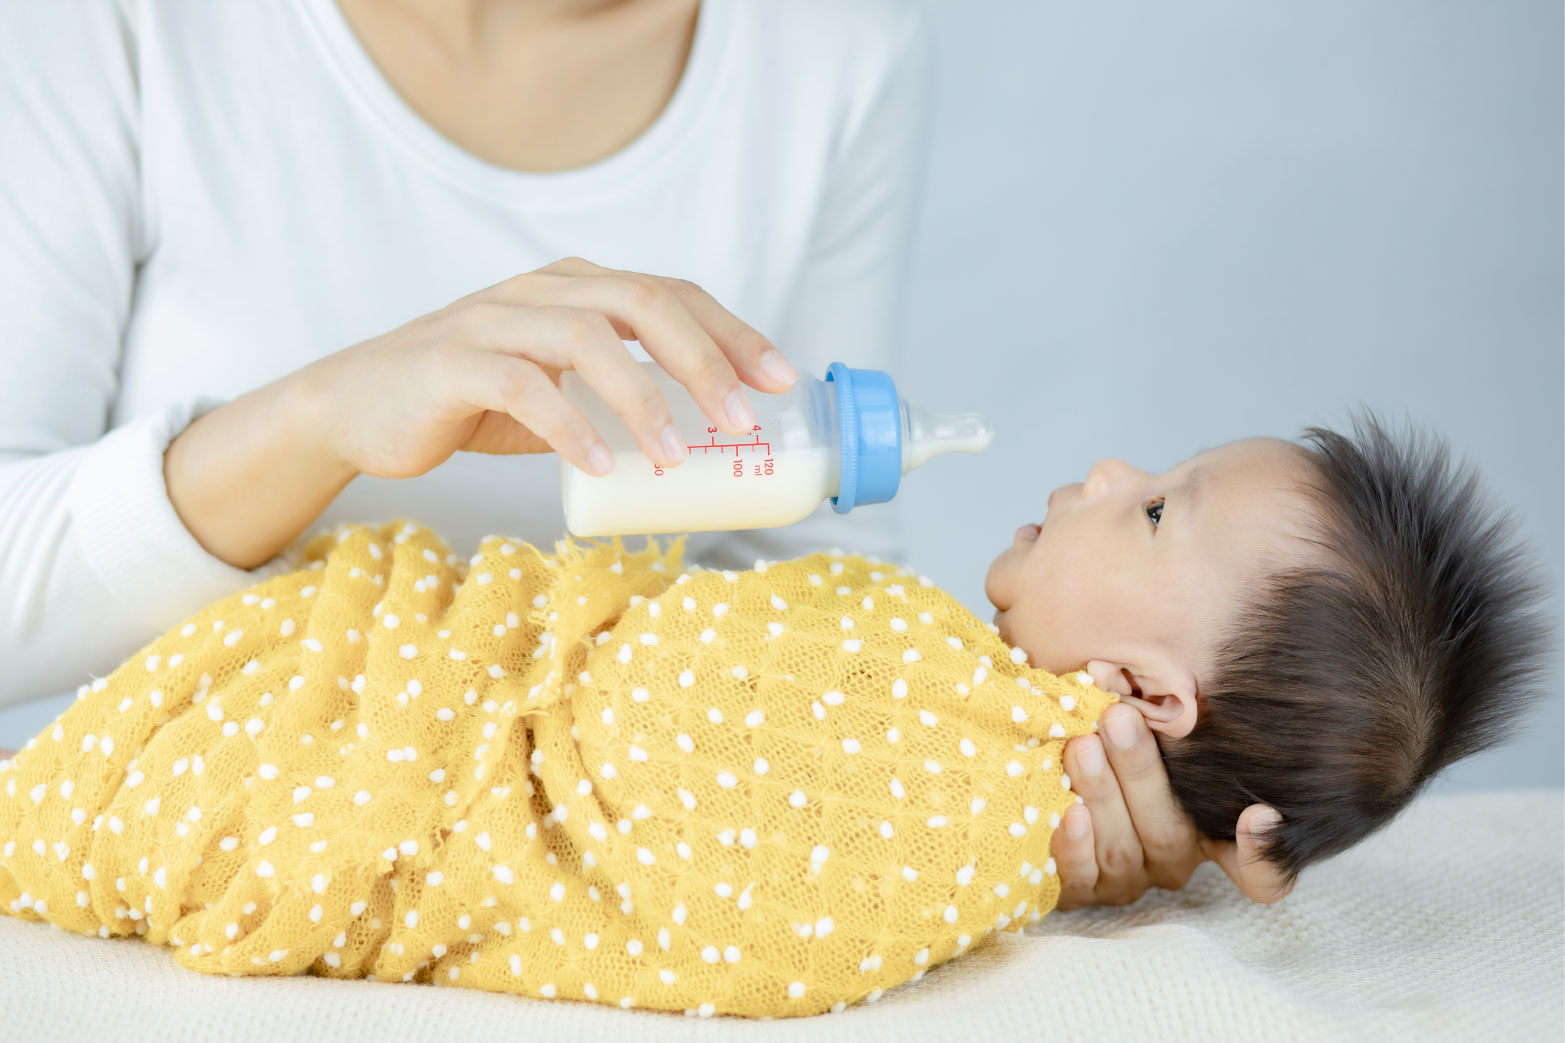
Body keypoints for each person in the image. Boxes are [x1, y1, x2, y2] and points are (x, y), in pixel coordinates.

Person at [0, 0, 1288, 911]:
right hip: (154, 821)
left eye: (1162, 508)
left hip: (545, 853)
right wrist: (320, 419)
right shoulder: (122, 26)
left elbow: (800, 586)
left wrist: (1022, 809)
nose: (1112, 475)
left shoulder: (834, 45)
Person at [0, 412, 1545, 1017]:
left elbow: (708, 834)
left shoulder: (944, 779)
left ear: (1142, 697)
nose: (1095, 476)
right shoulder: (926, 694)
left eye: (1149, 516)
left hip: (378, 750)